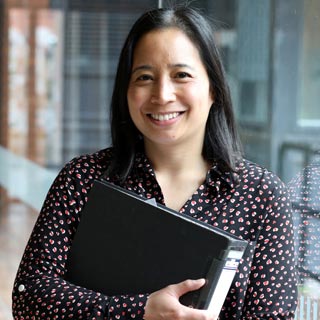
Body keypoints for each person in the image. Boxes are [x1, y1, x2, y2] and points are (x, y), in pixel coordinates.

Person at [12, 6, 297, 320]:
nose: (162, 94)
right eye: (144, 77)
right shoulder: (82, 180)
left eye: (181, 75)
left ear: (214, 87)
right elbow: (29, 297)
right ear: (126, 91)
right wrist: (138, 311)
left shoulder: (262, 195)